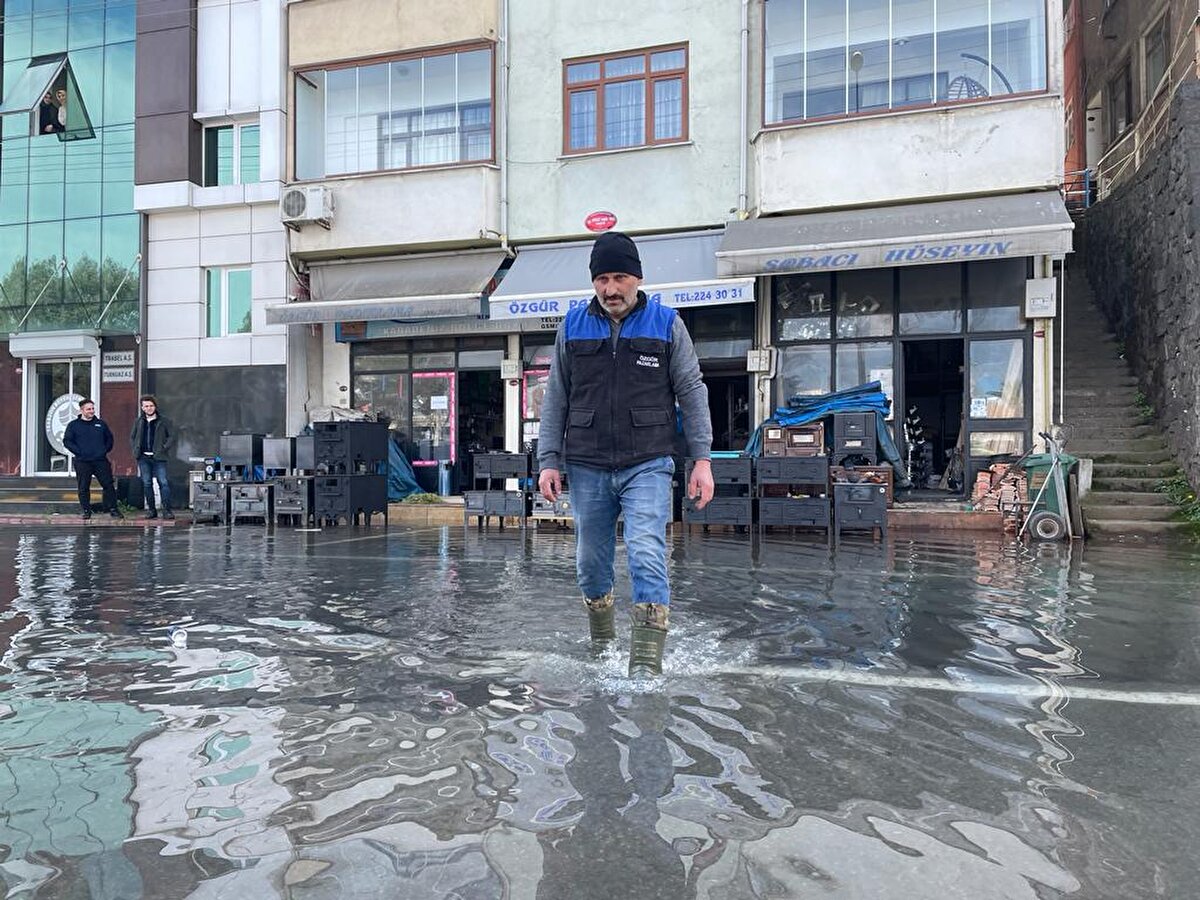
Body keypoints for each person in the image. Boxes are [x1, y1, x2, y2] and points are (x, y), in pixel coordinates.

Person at [537, 232, 715, 677]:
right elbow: (556, 396)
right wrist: (548, 460)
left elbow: (692, 392)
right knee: (590, 562)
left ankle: (645, 666)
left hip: (648, 461)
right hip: (587, 462)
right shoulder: (572, 326)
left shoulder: (667, 324)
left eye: (619, 277)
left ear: (637, 277)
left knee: (645, 550)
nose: (610, 289)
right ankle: (603, 649)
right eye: (602, 278)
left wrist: (702, 461)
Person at [63, 398, 121, 520]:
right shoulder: (73, 425)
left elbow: (109, 439)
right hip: (82, 461)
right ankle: (86, 511)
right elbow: (67, 441)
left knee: (108, 485)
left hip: (100, 461)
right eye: (88, 409)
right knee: (83, 487)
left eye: (93, 408)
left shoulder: (101, 424)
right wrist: (79, 452)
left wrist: (103, 451)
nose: (91, 411)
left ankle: (114, 510)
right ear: (82, 410)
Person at [129, 394, 175, 519]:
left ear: (155, 406)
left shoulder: (164, 421)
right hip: (143, 457)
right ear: (142, 408)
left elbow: (171, 436)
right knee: (147, 483)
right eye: (146, 406)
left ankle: (167, 510)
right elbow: (132, 437)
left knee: (163, 482)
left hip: (159, 457)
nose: (149, 408)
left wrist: (164, 447)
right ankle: (151, 510)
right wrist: (135, 450)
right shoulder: (138, 421)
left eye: (151, 406)